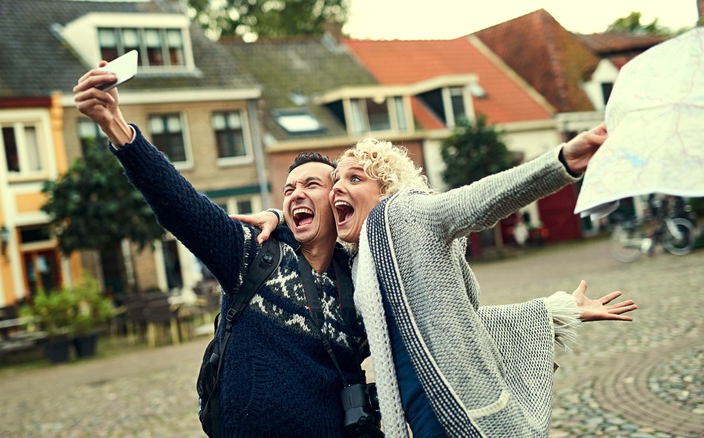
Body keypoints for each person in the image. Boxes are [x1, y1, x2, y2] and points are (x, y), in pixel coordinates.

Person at [238, 125, 637, 437]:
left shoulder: (407, 213)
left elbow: (481, 199)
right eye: (337, 181)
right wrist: (278, 218)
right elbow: (460, 320)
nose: (339, 188)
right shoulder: (361, 263)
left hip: (458, 411)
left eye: (356, 179)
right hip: (419, 416)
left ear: (386, 190)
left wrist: (561, 162)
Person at [73, 63, 369, 436]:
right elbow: (182, 207)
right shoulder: (254, 254)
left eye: (311, 185)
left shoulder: (359, 277)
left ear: (336, 198)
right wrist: (116, 125)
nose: (296, 195)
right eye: (289, 190)